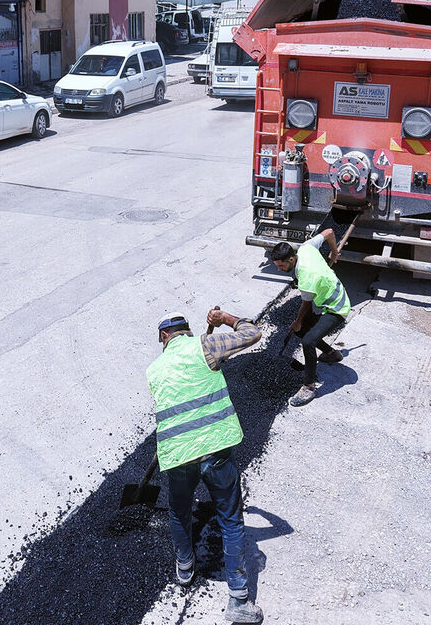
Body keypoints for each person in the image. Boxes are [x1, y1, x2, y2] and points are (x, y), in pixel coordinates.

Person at [146, 309, 264, 624]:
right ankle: (238, 601)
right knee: (230, 519)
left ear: (163, 337)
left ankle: (185, 568)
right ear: (186, 331)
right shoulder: (206, 347)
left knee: (179, 512)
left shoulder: (154, 370)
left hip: (178, 454)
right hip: (215, 449)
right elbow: (253, 333)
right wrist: (225, 317)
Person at [268, 229, 350, 407]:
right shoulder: (305, 248)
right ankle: (331, 354)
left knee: (307, 341)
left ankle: (309, 387)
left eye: (281, 266)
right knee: (304, 330)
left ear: (291, 259)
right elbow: (329, 232)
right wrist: (334, 252)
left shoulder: (306, 277)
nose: (279, 269)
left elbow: (305, 305)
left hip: (336, 307)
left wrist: (297, 322)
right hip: (326, 297)